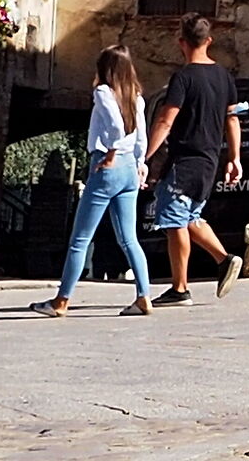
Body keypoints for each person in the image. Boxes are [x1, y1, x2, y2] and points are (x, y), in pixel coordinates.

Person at [29, 46, 153, 317]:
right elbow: (141, 135)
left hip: (108, 166)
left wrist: (110, 152)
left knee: (80, 239)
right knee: (129, 238)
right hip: (130, 168)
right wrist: (141, 163)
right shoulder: (137, 96)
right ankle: (144, 295)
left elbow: (116, 126)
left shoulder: (103, 92)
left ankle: (61, 301)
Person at [143, 12, 244, 305]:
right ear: (209, 41)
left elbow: (165, 120)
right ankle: (224, 259)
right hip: (210, 160)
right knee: (190, 217)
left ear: (181, 43)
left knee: (174, 222)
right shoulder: (225, 77)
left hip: (185, 160)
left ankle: (180, 288)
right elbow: (233, 120)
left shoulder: (184, 77)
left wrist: (146, 155)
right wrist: (234, 157)